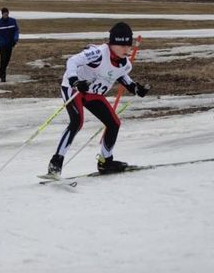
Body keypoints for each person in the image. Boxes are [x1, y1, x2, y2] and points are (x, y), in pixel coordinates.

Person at [42, 21, 149, 179]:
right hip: (74, 89)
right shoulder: (98, 53)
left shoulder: (125, 63)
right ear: (112, 44)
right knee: (77, 121)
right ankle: (55, 163)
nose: (127, 49)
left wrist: (134, 88)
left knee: (114, 123)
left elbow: (120, 74)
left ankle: (105, 162)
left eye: (129, 45)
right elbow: (72, 61)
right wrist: (74, 81)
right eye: (123, 45)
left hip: (93, 93)